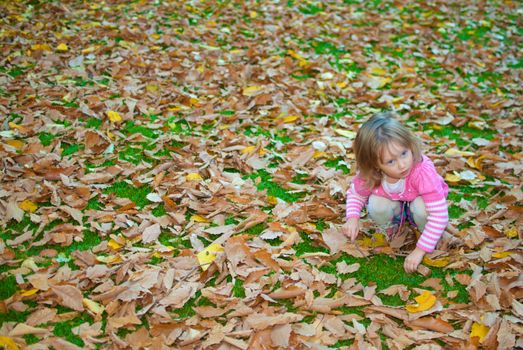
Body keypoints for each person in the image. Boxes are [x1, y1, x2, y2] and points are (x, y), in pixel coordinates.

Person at [342, 112, 449, 273]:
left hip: (420, 201)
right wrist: (352, 218)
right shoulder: (371, 174)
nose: (402, 165)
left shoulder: (422, 172)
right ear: (375, 165)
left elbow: (439, 215)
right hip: (394, 202)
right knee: (376, 204)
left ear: (409, 145)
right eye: (391, 161)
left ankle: (425, 233)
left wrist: (419, 251)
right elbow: (356, 194)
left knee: (422, 208)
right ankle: (392, 229)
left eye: (404, 153)